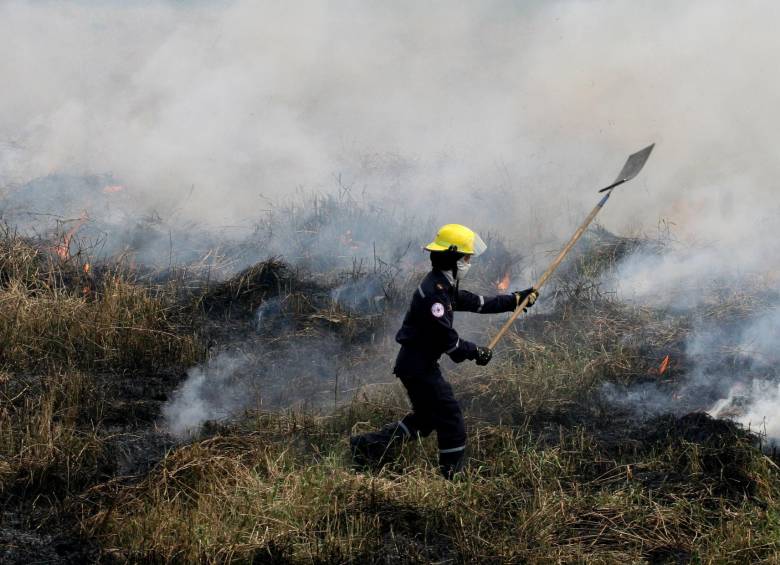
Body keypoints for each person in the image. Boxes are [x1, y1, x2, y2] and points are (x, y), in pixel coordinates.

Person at [350, 223, 538, 479]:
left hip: (416, 365)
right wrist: (476, 352)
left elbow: (477, 303)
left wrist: (515, 299)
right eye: (466, 257)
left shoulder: (443, 284)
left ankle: (367, 446)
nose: (469, 261)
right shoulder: (434, 295)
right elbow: (447, 340)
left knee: (426, 419)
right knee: (451, 419)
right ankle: (453, 478)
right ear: (452, 257)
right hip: (418, 367)